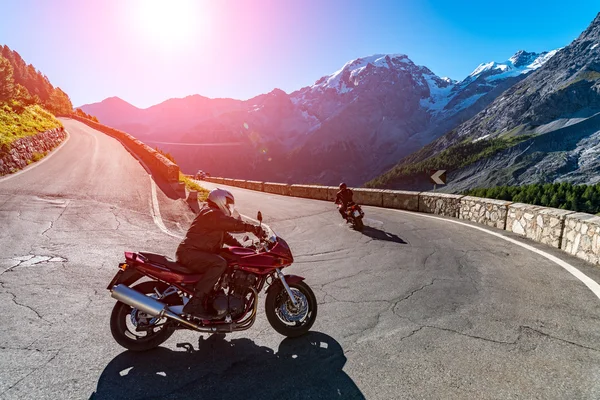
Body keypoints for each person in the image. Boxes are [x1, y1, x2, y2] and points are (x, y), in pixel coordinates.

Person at [176, 188, 264, 319]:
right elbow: (231, 224)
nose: (229, 207)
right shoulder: (211, 213)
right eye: (228, 203)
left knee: (225, 259)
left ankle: (215, 300)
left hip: (193, 253)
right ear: (220, 200)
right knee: (219, 263)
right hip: (190, 253)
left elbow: (227, 237)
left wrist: (244, 249)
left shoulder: (213, 216)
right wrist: (252, 228)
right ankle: (195, 304)